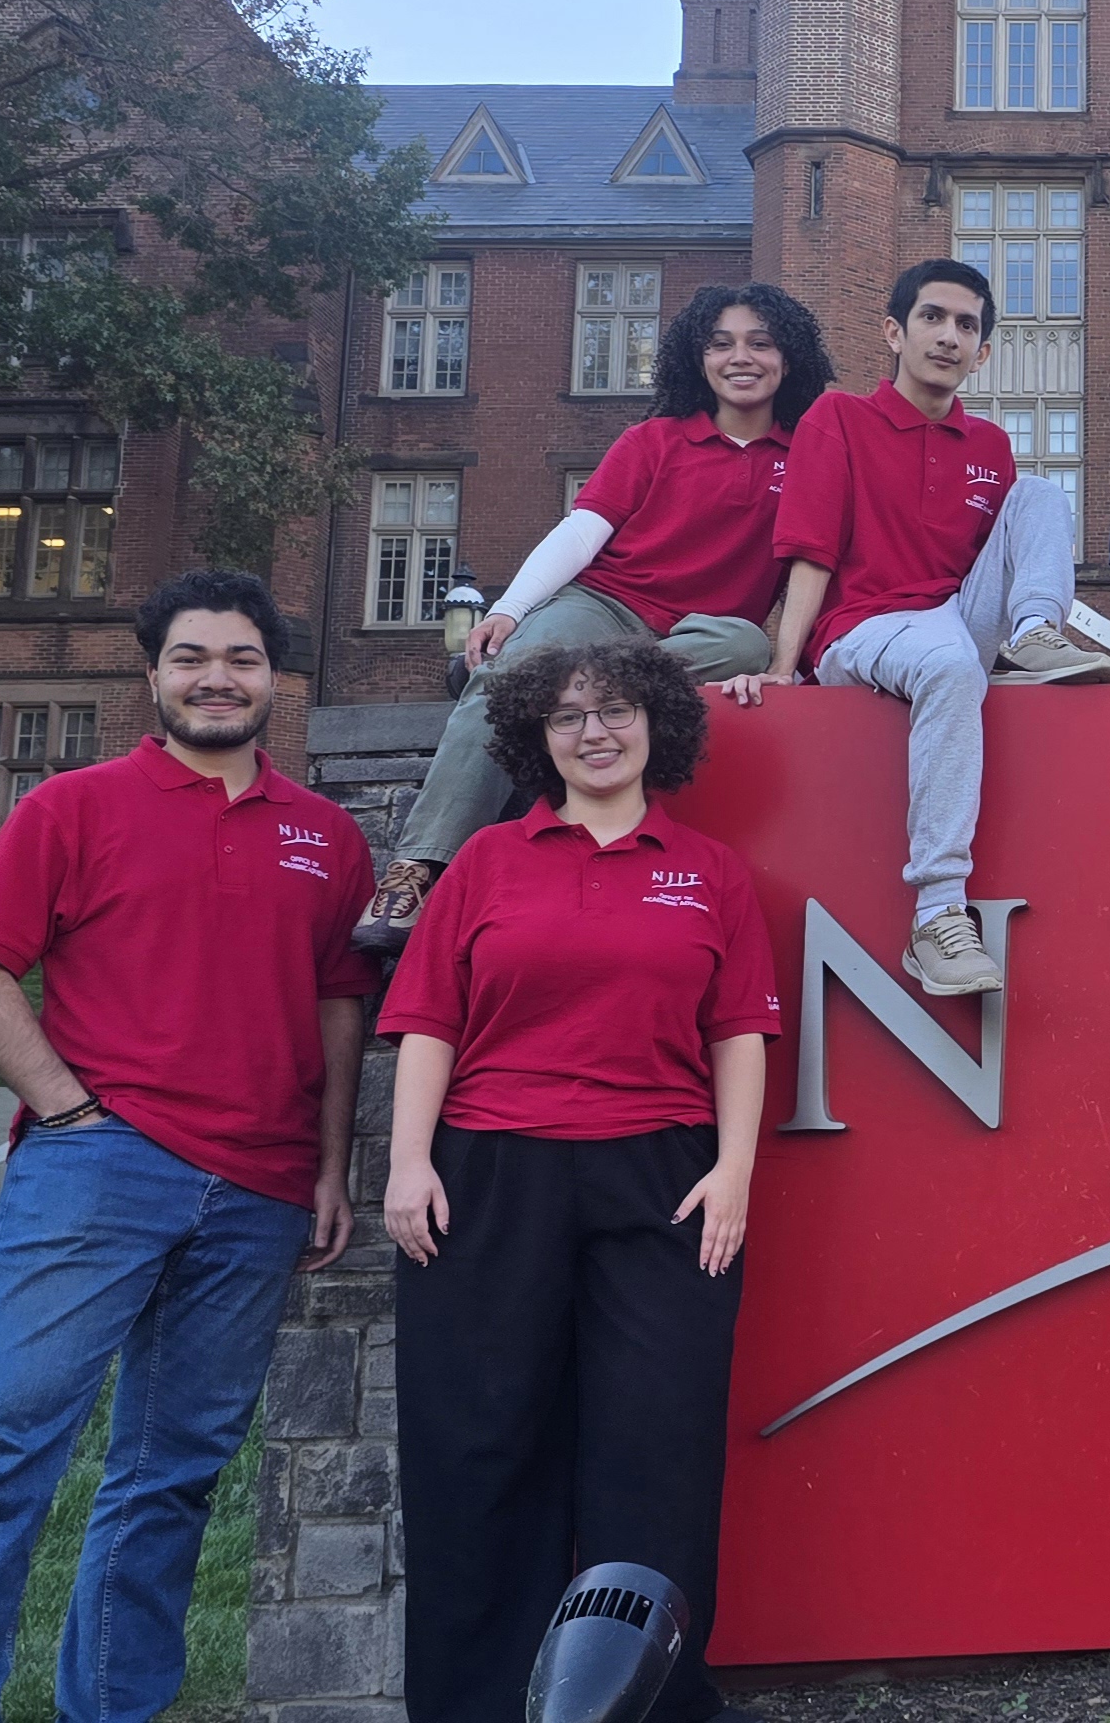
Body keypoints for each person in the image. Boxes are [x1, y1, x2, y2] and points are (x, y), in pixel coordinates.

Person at [0, 571, 374, 1723]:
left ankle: (114, 1707)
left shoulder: (327, 837)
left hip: (259, 1193)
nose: (218, 677)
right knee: (0, 1453)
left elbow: (337, 1005)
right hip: (99, 1169)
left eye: (242, 658)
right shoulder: (74, 807)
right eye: (193, 656)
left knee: (171, 1479)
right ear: (152, 675)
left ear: (274, 677)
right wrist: (65, 1110)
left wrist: (326, 1165)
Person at [381, 638, 778, 1723]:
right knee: (480, 1443)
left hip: (662, 1180)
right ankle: (476, 1702)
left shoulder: (709, 871)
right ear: (535, 740)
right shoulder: (485, 866)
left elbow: (740, 1030)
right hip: (488, 1174)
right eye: (566, 717)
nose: (592, 733)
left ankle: (637, 1703)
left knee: (654, 1449)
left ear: (656, 723)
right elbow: (425, 1020)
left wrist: (734, 1171)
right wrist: (407, 1162)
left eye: (612, 712)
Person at [356, 281, 836, 950]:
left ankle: (570, 683)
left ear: (789, 359)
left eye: (761, 342)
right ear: (697, 359)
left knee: (748, 647)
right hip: (604, 605)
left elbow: (820, 561)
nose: (741, 357)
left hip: (702, 636)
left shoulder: (809, 457)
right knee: (512, 671)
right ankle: (415, 869)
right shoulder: (655, 441)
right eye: (721, 343)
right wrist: (511, 611)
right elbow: (582, 532)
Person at [724, 256, 1110, 997]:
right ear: (894, 333)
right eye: (932, 318)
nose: (949, 336)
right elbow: (809, 551)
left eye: (967, 325)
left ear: (984, 350)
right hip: (861, 628)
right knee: (949, 665)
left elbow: (989, 565)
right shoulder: (838, 418)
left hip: (955, 620)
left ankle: (1035, 633)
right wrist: (785, 665)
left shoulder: (989, 448)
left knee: (1037, 495)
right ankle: (937, 914)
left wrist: (1012, 613)